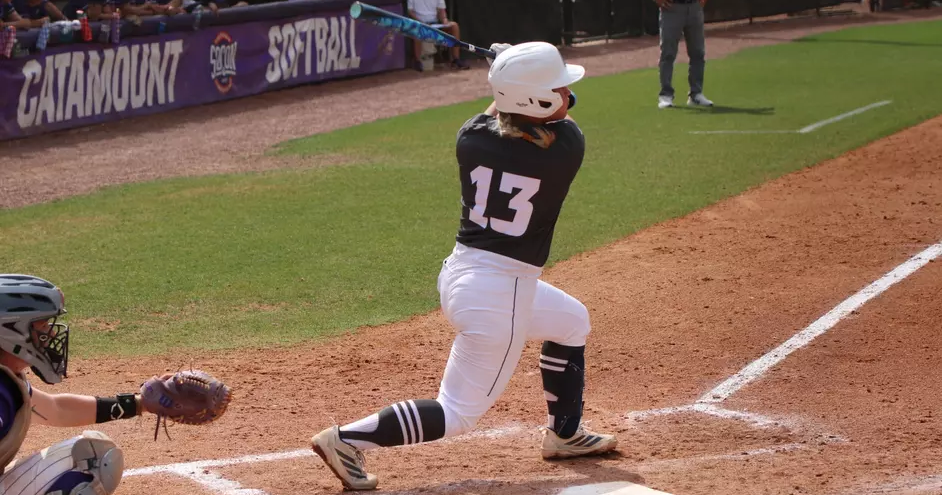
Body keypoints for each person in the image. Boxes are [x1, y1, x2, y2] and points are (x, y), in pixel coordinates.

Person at [310, 41, 617, 491]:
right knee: (457, 413)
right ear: (538, 99)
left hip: (462, 274)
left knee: (571, 321)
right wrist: (509, 68)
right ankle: (345, 440)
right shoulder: (566, 147)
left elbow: (506, 110)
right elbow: (555, 112)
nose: (567, 92)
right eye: (557, 86)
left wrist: (508, 74)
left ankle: (565, 434)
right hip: (501, 293)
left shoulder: (470, 136)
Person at [0, 275, 154, 495]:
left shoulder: (7, 381)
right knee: (85, 473)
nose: (51, 333)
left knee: (93, 454)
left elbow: (56, 410)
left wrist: (140, 404)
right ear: (12, 332)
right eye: (42, 325)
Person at [656, 0, 714, 109]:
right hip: (671, 7)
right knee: (668, 53)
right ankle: (666, 95)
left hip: (694, 7)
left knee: (698, 52)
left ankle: (696, 94)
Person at [406, 0, 469, 70]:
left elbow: (441, 11)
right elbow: (410, 12)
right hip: (420, 24)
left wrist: (444, 19)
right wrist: (421, 22)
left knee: (454, 26)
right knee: (417, 29)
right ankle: (417, 62)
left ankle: (456, 59)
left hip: (435, 25)